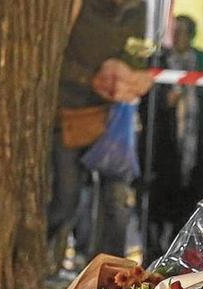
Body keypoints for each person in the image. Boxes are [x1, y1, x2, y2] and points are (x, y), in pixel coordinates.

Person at [47, 0, 153, 262]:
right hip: (71, 113)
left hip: (113, 120)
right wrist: (93, 79)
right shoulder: (77, 6)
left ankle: (107, 274)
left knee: (117, 200)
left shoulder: (138, 10)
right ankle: (41, 259)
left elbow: (138, 54)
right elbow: (53, 56)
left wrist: (128, 73)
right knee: (65, 199)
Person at [146, 15, 203, 261]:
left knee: (187, 198)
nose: (178, 37)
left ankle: (180, 251)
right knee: (161, 198)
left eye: (183, 32)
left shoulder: (199, 63)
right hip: (165, 143)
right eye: (175, 31)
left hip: (192, 142)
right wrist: (165, 103)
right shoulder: (161, 61)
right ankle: (156, 249)